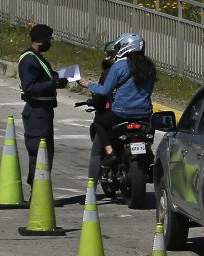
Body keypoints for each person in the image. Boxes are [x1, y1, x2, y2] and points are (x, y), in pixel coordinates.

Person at [78, 32, 156, 172]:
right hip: (144, 114)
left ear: (126, 47)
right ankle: (148, 151)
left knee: (98, 123)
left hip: (121, 113)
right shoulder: (149, 67)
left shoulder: (119, 67)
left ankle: (110, 152)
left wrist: (88, 84)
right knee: (148, 131)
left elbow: (104, 90)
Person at [18, 23, 68, 187]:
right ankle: (37, 192)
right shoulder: (29, 60)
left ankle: (40, 189)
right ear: (40, 40)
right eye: (49, 39)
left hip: (44, 112)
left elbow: (47, 77)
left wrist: (61, 77)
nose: (50, 42)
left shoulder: (38, 58)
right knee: (39, 152)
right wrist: (53, 83)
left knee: (46, 152)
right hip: (36, 112)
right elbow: (29, 88)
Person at [85, 39, 119, 180]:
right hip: (142, 115)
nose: (106, 58)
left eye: (109, 55)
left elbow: (102, 93)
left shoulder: (111, 72)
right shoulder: (142, 70)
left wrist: (93, 100)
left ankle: (91, 187)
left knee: (96, 151)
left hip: (119, 114)